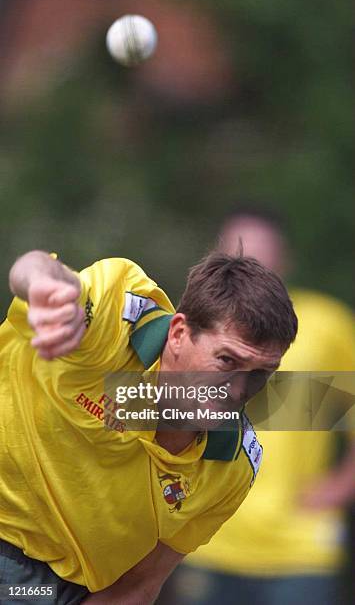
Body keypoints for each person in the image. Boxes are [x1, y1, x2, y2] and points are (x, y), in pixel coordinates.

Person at [0, 249, 297, 604]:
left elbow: (138, 586)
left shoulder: (232, 466)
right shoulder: (116, 320)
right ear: (177, 333)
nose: (237, 389)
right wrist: (44, 287)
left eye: (260, 373)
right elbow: (35, 267)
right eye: (226, 360)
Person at [165, 208, 355, 605]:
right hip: (208, 540)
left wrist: (340, 486)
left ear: (284, 259)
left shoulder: (326, 324)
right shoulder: (197, 329)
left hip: (299, 547)